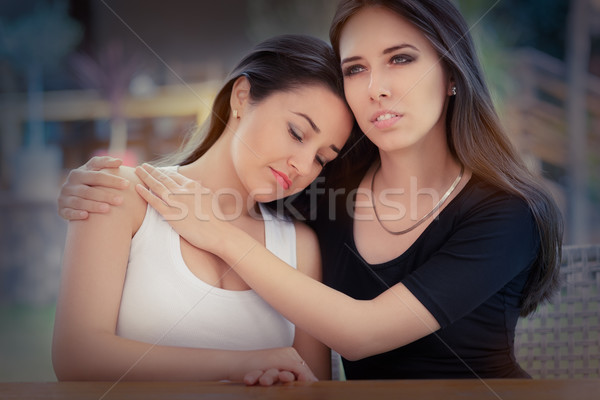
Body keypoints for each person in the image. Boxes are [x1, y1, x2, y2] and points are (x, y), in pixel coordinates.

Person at [58, 0, 563, 380]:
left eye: (401, 59)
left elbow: (354, 340)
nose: (376, 87)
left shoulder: (506, 214)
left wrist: (217, 232)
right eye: (356, 68)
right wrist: (90, 187)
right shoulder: (323, 194)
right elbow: (232, 184)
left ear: (452, 73)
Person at [52, 34, 354, 385]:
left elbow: (313, 385)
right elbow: (77, 356)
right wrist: (239, 365)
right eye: (297, 132)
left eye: (321, 158)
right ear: (242, 97)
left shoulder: (300, 246)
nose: (303, 165)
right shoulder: (125, 194)